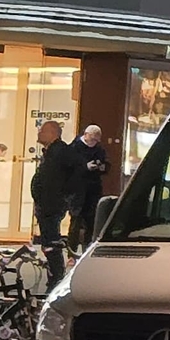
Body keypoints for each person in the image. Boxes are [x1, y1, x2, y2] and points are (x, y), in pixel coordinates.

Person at [28, 120, 83, 283]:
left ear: (53, 133)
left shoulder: (62, 152)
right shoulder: (51, 152)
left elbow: (76, 174)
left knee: (51, 241)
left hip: (52, 204)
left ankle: (56, 275)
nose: (39, 133)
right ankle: (54, 273)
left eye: (43, 130)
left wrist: (65, 195)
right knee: (48, 240)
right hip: (47, 203)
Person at [69, 124, 110, 243]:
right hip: (77, 191)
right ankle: (72, 253)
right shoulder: (74, 148)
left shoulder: (99, 149)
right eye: (93, 139)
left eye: (97, 140)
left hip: (93, 190)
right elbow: (69, 168)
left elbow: (107, 163)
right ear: (85, 135)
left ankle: (87, 249)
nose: (94, 143)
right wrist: (85, 167)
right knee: (76, 223)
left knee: (91, 222)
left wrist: (103, 167)